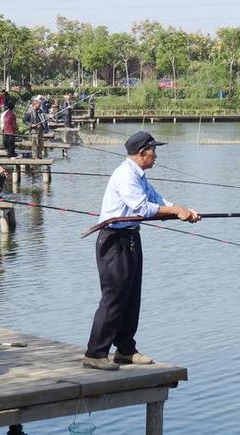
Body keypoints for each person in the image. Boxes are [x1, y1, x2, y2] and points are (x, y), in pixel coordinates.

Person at [83, 131, 201, 370]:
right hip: (113, 241)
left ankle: (125, 350)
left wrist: (183, 211)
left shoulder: (139, 176)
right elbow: (142, 207)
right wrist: (175, 211)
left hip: (131, 239)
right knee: (114, 297)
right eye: (153, 151)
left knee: (131, 297)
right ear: (142, 153)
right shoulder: (125, 175)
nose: (156, 156)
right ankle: (95, 353)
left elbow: (156, 200)